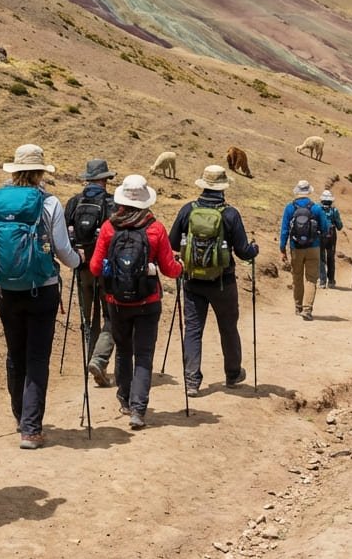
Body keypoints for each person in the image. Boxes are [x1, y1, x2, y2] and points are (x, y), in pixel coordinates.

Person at [0, 145, 81, 450]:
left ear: (13, 171)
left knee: (16, 353)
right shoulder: (50, 202)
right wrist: (78, 262)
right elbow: (63, 250)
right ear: (41, 172)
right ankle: (31, 428)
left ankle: (19, 415)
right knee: (38, 357)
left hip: (7, 289)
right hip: (43, 288)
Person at [88, 174, 181, 429]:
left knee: (123, 349)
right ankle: (138, 410)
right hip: (148, 301)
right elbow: (170, 269)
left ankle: (125, 399)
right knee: (143, 354)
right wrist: (180, 268)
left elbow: (95, 267)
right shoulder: (155, 228)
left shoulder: (109, 227)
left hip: (115, 301)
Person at [168, 165, 259, 395]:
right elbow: (242, 251)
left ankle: (191, 380)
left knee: (193, 329)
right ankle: (232, 373)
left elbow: (171, 243)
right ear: (222, 189)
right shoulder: (230, 214)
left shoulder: (188, 210)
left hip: (192, 281)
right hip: (223, 282)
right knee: (228, 327)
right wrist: (254, 250)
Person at [64, 158, 117, 387]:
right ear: (105, 179)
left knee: (88, 317)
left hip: (82, 267)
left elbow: (64, 234)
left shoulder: (74, 202)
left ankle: (89, 359)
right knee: (111, 316)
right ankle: (99, 360)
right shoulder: (112, 203)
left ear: (88, 179)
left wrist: (76, 257)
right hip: (105, 269)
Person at [279, 180, 329, 320]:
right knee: (311, 279)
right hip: (313, 247)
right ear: (309, 192)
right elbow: (325, 227)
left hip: (296, 248)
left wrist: (282, 248)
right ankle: (307, 310)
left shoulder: (290, 208)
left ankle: (298, 307)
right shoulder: (316, 208)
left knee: (297, 277)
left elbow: (284, 230)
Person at [318, 189, 344, 288]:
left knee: (321, 258)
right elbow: (340, 226)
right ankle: (331, 281)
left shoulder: (318, 209)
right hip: (332, 236)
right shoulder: (334, 211)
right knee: (331, 257)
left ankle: (322, 281)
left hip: (320, 236)